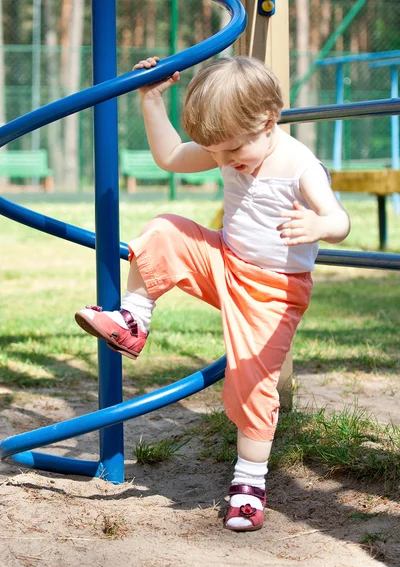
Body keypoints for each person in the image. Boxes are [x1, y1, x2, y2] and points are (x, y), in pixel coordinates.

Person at [75, 56, 350, 532]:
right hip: (225, 261)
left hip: (273, 292)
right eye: (216, 154)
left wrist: (319, 224)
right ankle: (134, 319)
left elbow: (341, 222)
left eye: (232, 153)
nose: (224, 163)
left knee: (250, 384)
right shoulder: (234, 142)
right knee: (163, 230)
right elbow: (170, 158)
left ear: (268, 121)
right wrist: (151, 98)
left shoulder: (299, 165)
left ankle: (249, 483)